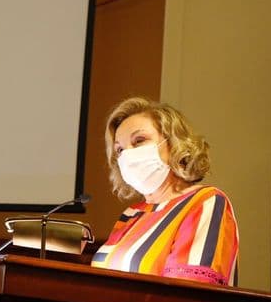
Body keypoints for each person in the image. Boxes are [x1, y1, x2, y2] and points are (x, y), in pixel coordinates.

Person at [91, 97, 240, 285]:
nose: (127, 154)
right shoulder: (131, 215)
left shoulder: (205, 202)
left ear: (174, 144)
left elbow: (189, 295)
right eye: (119, 150)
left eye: (139, 140)